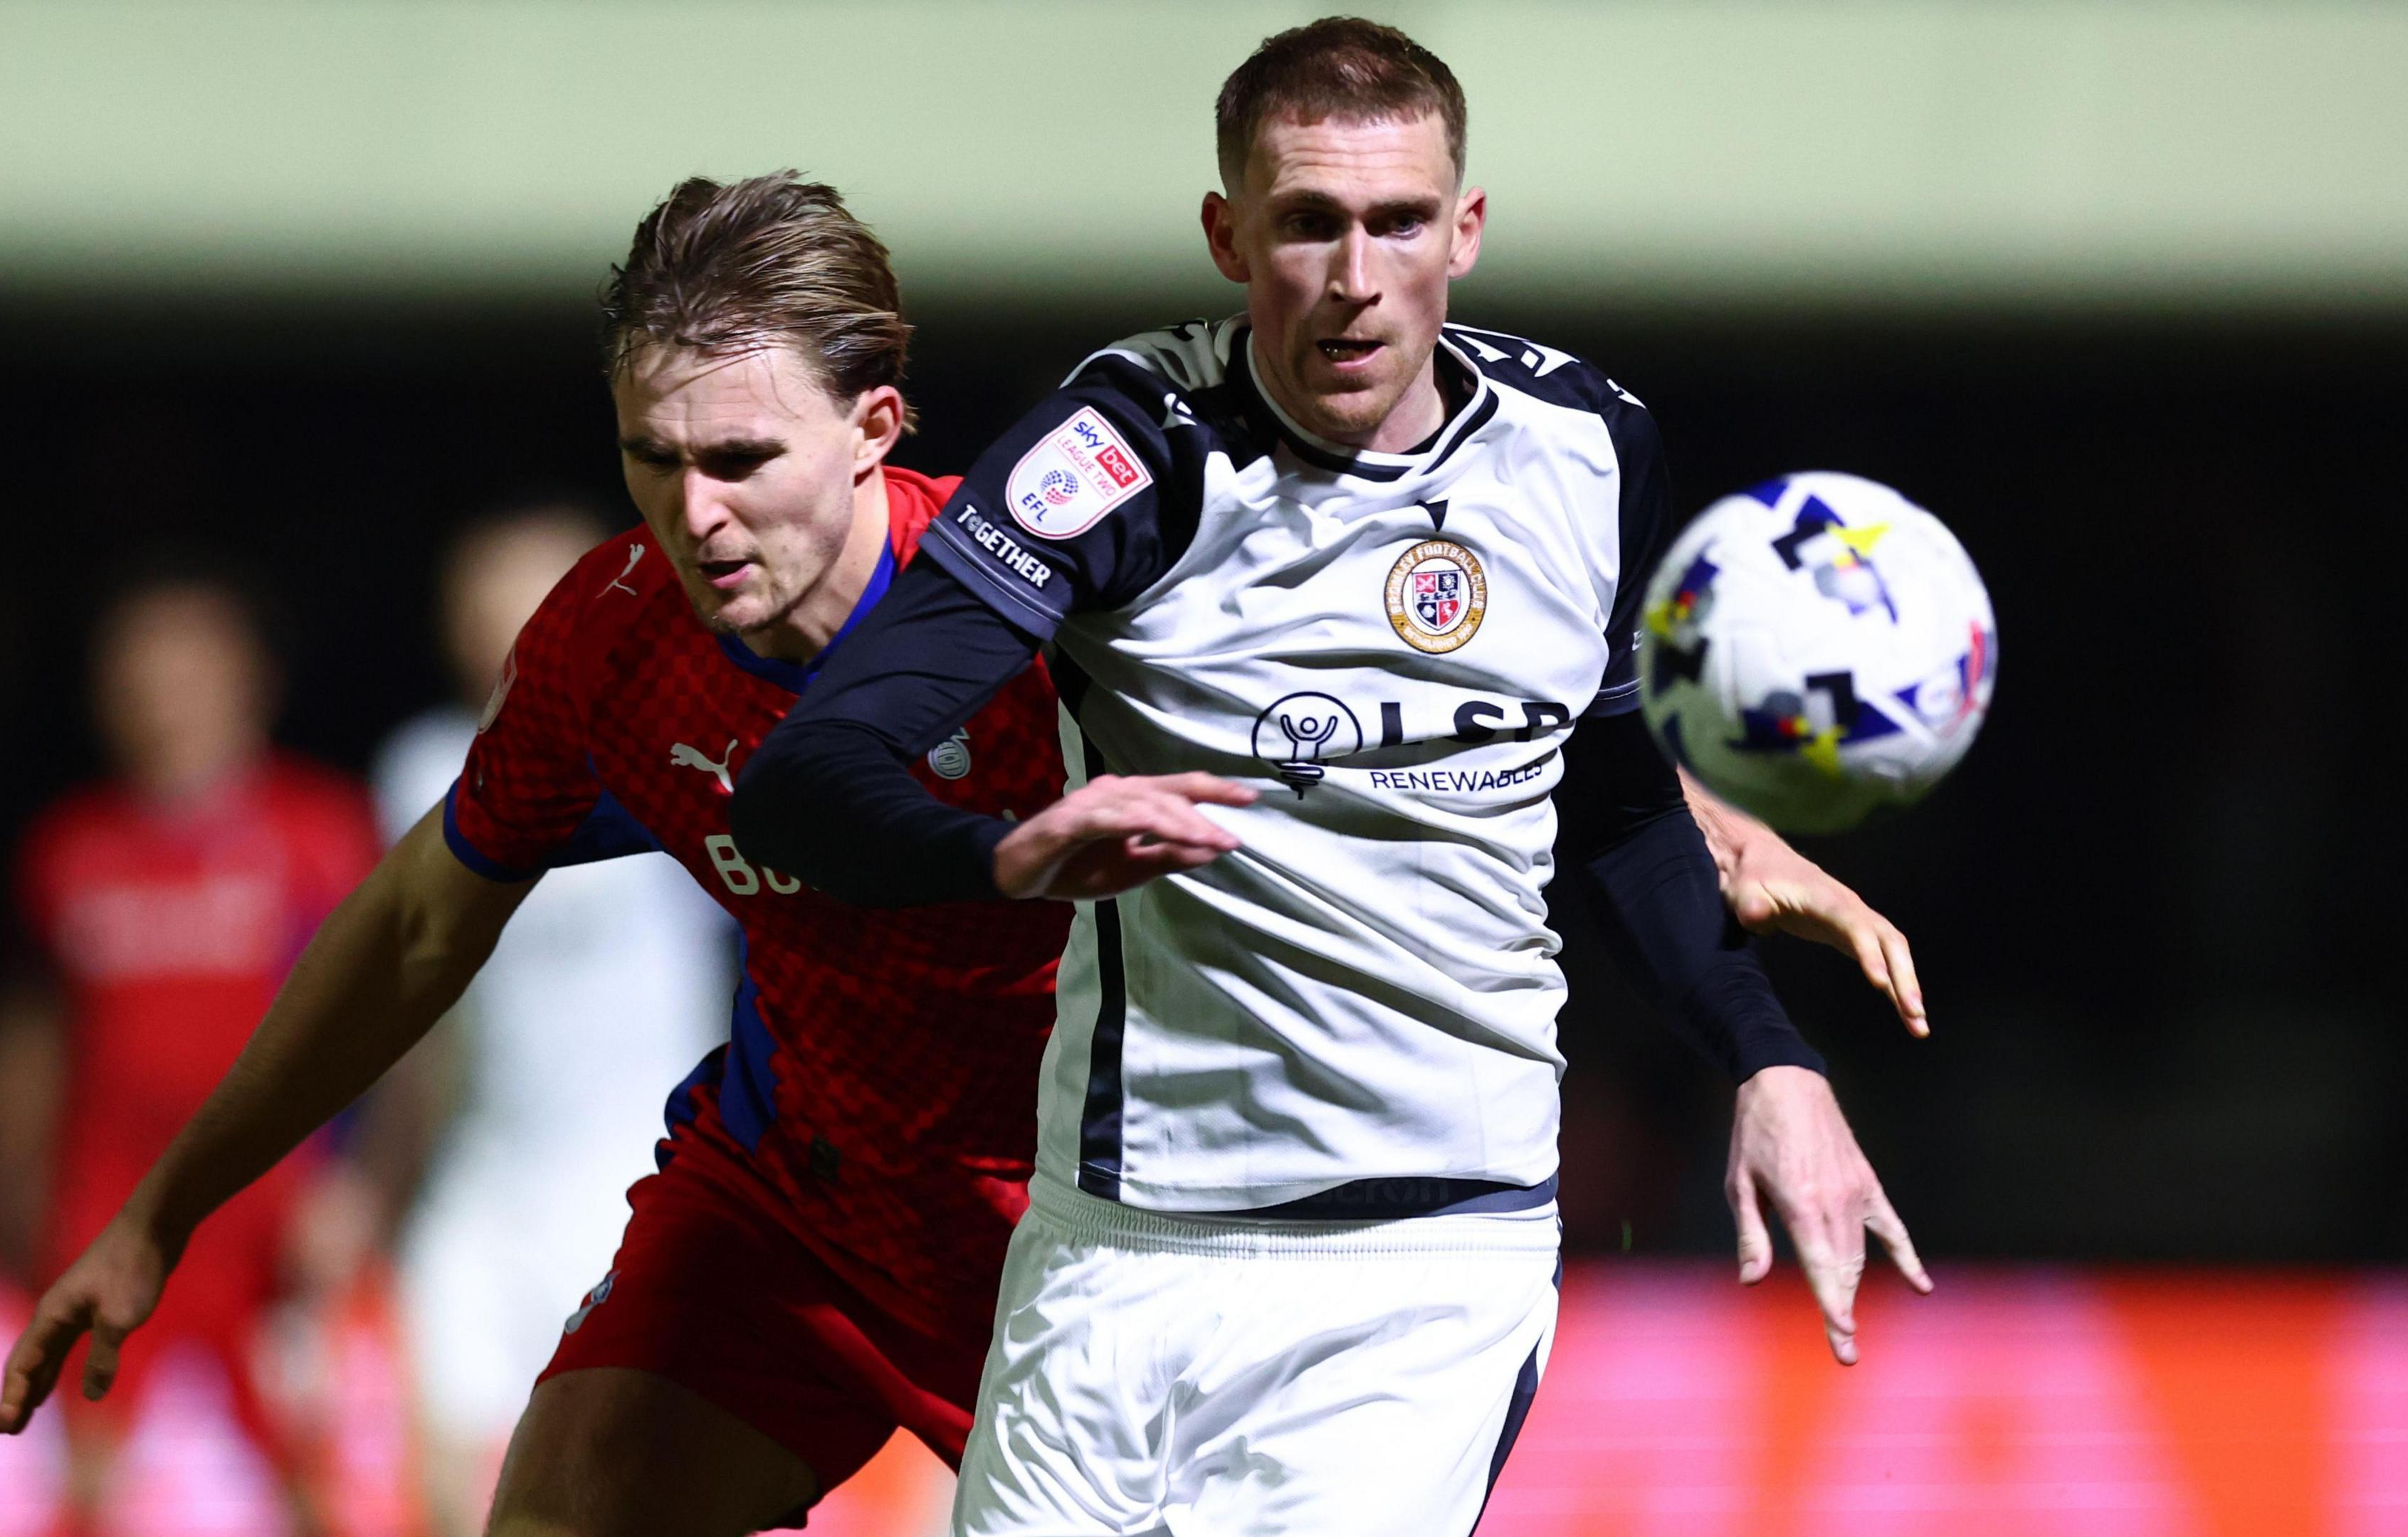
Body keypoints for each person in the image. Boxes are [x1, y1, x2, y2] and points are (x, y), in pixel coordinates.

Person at [0, 173, 1913, 1537]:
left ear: (877, 431)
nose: (693, 512)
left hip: (1097, 1254)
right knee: (565, 1505)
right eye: (653, 458)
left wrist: (1694, 817)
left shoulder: (1047, 599)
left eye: (741, 459)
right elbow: (422, 921)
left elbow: (1388, 722)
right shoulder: (615, 645)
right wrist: (167, 1211)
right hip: (794, 1208)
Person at [732, 19, 1932, 1533]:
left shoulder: (1585, 452)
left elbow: (1618, 808)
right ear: (1227, 236)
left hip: (1430, 1269)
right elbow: (805, 776)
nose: (1356, 277)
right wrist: (1000, 857)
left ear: (1466, 230)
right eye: (1307, 223)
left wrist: (1772, 1061)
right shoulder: (1128, 450)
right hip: (1122, 1248)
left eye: (1399, 223)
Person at [0, 561, 380, 1536]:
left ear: (249, 681)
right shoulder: (72, 849)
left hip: (266, 1208)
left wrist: (356, 1177)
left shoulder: (317, 834)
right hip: (110, 1204)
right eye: (137, 678)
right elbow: (35, 1024)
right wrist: (6, 1166)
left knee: (305, 1469)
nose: (162, 700)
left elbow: (380, 1018)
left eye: (188, 672)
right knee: (85, 1472)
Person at [367, 506, 740, 1533]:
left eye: (539, 601)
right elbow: (415, 1008)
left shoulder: (696, 746)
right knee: (447, 1479)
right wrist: (375, 1183)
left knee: (633, 1488)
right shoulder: (421, 770)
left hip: (641, 1180)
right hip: (483, 1181)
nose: (513, 630)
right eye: (486, 609)